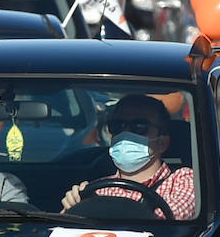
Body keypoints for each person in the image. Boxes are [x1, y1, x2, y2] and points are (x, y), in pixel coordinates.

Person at [62, 94, 198, 220]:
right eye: (117, 126)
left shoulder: (183, 180)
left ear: (162, 142)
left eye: (139, 126)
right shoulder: (97, 189)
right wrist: (73, 208)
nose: (125, 133)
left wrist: (95, 210)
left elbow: (172, 218)